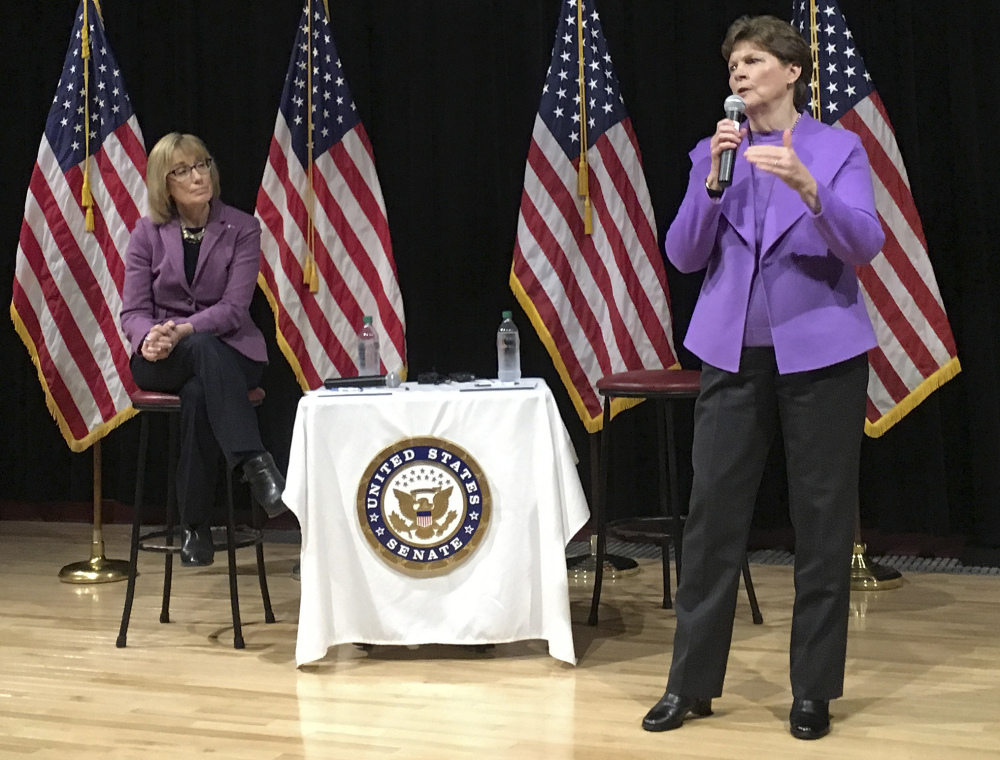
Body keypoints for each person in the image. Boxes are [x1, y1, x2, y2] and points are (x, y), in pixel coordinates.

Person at [641, 16, 884, 740]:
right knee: (713, 520)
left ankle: (812, 691)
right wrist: (712, 186)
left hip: (822, 354)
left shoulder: (837, 150)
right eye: (733, 66)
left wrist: (813, 190)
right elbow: (684, 256)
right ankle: (689, 684)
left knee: (821, 525)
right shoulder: (714, 152)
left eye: (753, 62)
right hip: (731, 354)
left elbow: (864, 243)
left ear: (791, 71)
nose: (739, 75)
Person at [120, 132, 288, 568]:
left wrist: (184, 330)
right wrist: (150, 338)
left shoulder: (241, 228)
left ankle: (193, 525)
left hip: (232, 352)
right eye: (183, 170)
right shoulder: (146, 233)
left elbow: (234, 309)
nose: (198, 176)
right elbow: (134, 310)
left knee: (199, 388)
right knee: (196, 350)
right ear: (165, 184)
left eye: (202, 165)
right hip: (162, 358)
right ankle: (255, 463)